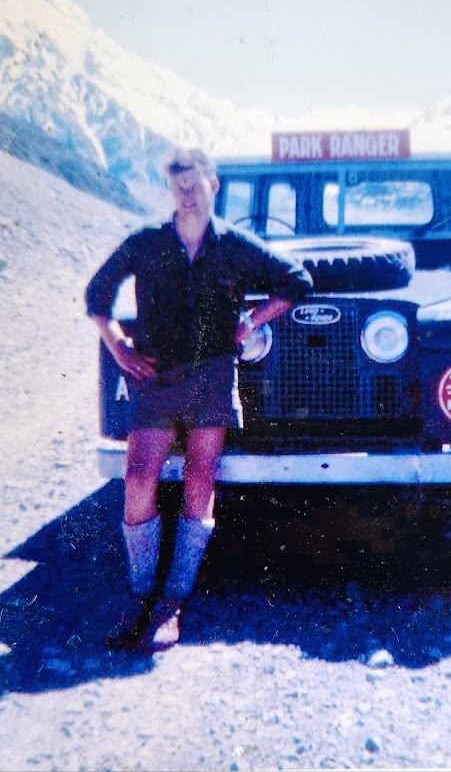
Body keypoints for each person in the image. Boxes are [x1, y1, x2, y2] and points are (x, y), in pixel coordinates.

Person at [86, 147, 313, 653]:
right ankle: (140, 592)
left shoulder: (235, 246)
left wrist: (253, 320)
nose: (187, 192)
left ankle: (173, 601)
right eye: (178, 184)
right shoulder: (146, 243)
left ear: (214, 185)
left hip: (213, 373)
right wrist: (118, 343)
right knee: (140, 474)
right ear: (170, 189)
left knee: (198, 477)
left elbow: (298, 281)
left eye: (195, 182)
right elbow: (96, 294)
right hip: (157, 376)